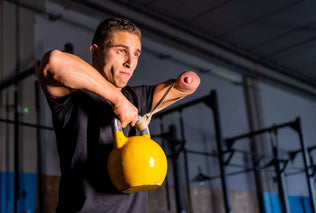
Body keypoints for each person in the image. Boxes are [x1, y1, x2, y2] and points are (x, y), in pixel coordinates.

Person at [38, 17, 200, 213]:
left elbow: (182, 88)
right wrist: (119, 100)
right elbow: (53, 62)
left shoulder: (136, 97)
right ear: (96, 52)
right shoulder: (71, 98)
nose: (130, 63)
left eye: (136, 54)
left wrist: (188, 84)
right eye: (121, 51)